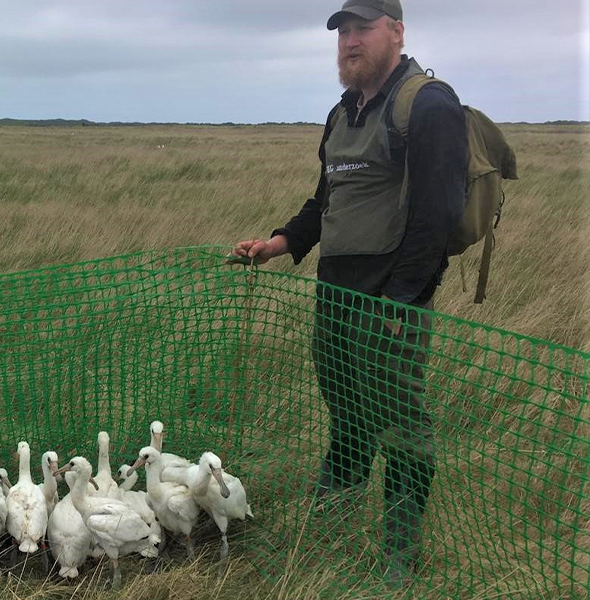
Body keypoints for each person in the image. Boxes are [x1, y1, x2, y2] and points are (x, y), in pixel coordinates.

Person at [231, 0, 467, 588]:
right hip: (333, 296)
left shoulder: (429, 104)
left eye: (363, 29)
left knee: (401, 424)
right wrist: (281, 241)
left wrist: (403, 301)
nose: (350, 43)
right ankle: (331, 529)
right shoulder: (344, 111)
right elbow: (326, 200)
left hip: (389, 303)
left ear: (396, 32)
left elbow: (438, 214)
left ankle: (399, 555)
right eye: (342, 32)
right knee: (348, 416)